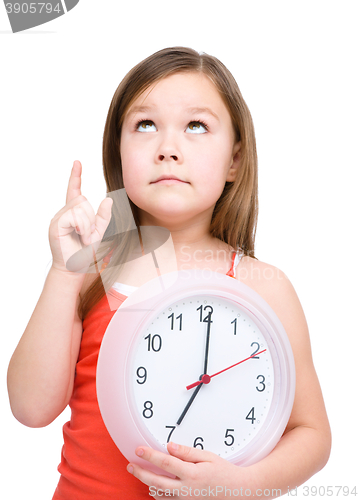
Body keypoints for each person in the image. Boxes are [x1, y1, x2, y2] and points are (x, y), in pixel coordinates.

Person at [7, 47, 331, 499]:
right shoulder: (89, 271)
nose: (168, 149)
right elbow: (30, 408)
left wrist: (237, 486)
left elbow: (311, 434)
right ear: (118, 154)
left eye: (196, 126)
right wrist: (63, 272)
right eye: (145, 125)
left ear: (235, 160)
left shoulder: (261, 286)